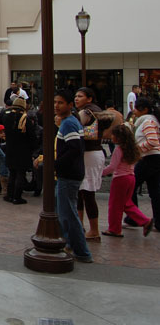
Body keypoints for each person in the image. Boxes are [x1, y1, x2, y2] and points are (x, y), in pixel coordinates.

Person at [53, 89, 92, 263]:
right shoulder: (70, 122)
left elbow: (75, 148)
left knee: (68, 213)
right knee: (64, 211)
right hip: (69, 174)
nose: (56, 105)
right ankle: (67, 242)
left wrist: (56, 164)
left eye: (60, 102)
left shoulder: (69, 123)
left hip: (69, 175)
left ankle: (81, 251)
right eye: (55, 102)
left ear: (69, 105)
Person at [101, 124, 153, 237]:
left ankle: (114, 229)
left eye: (113, 135)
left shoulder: (118, 150)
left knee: (115, 205)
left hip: (120, 179)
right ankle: (144, 221)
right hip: (131, 177)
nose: (111, 136)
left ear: (118, 137)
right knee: (126, 204)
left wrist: (100, 173)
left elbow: (112, 167)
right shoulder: (132, 149)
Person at [74, 87, 106, 242]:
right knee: (82, 191)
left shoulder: (87, 111)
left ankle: (93, 230)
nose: (76, 98)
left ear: (90, 98)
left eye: (80, 96)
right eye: (76, 96)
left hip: (90, 154)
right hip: (92, 153)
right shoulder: (96, 110)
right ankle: (80, 225)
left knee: (86, 192)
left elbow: (75, 125)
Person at [127, 97, 160, 233]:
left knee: (130, 187)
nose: (134, 111)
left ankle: (134, 218)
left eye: (136, 108)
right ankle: (158, 221)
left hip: (148, 159)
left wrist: (137, 149)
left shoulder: (147, 122)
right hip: (154, 159)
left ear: (144, 110)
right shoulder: (151, 121)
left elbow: (153, 141)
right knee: (155, 192)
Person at [0, 98, 37, 204]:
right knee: (20, 173)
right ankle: (17, 197)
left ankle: (9, 195)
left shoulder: (6, 115)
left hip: (10, 148)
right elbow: (32, 136)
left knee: (12, 173)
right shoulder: (25, 118)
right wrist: (33, 148)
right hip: (23, 150)